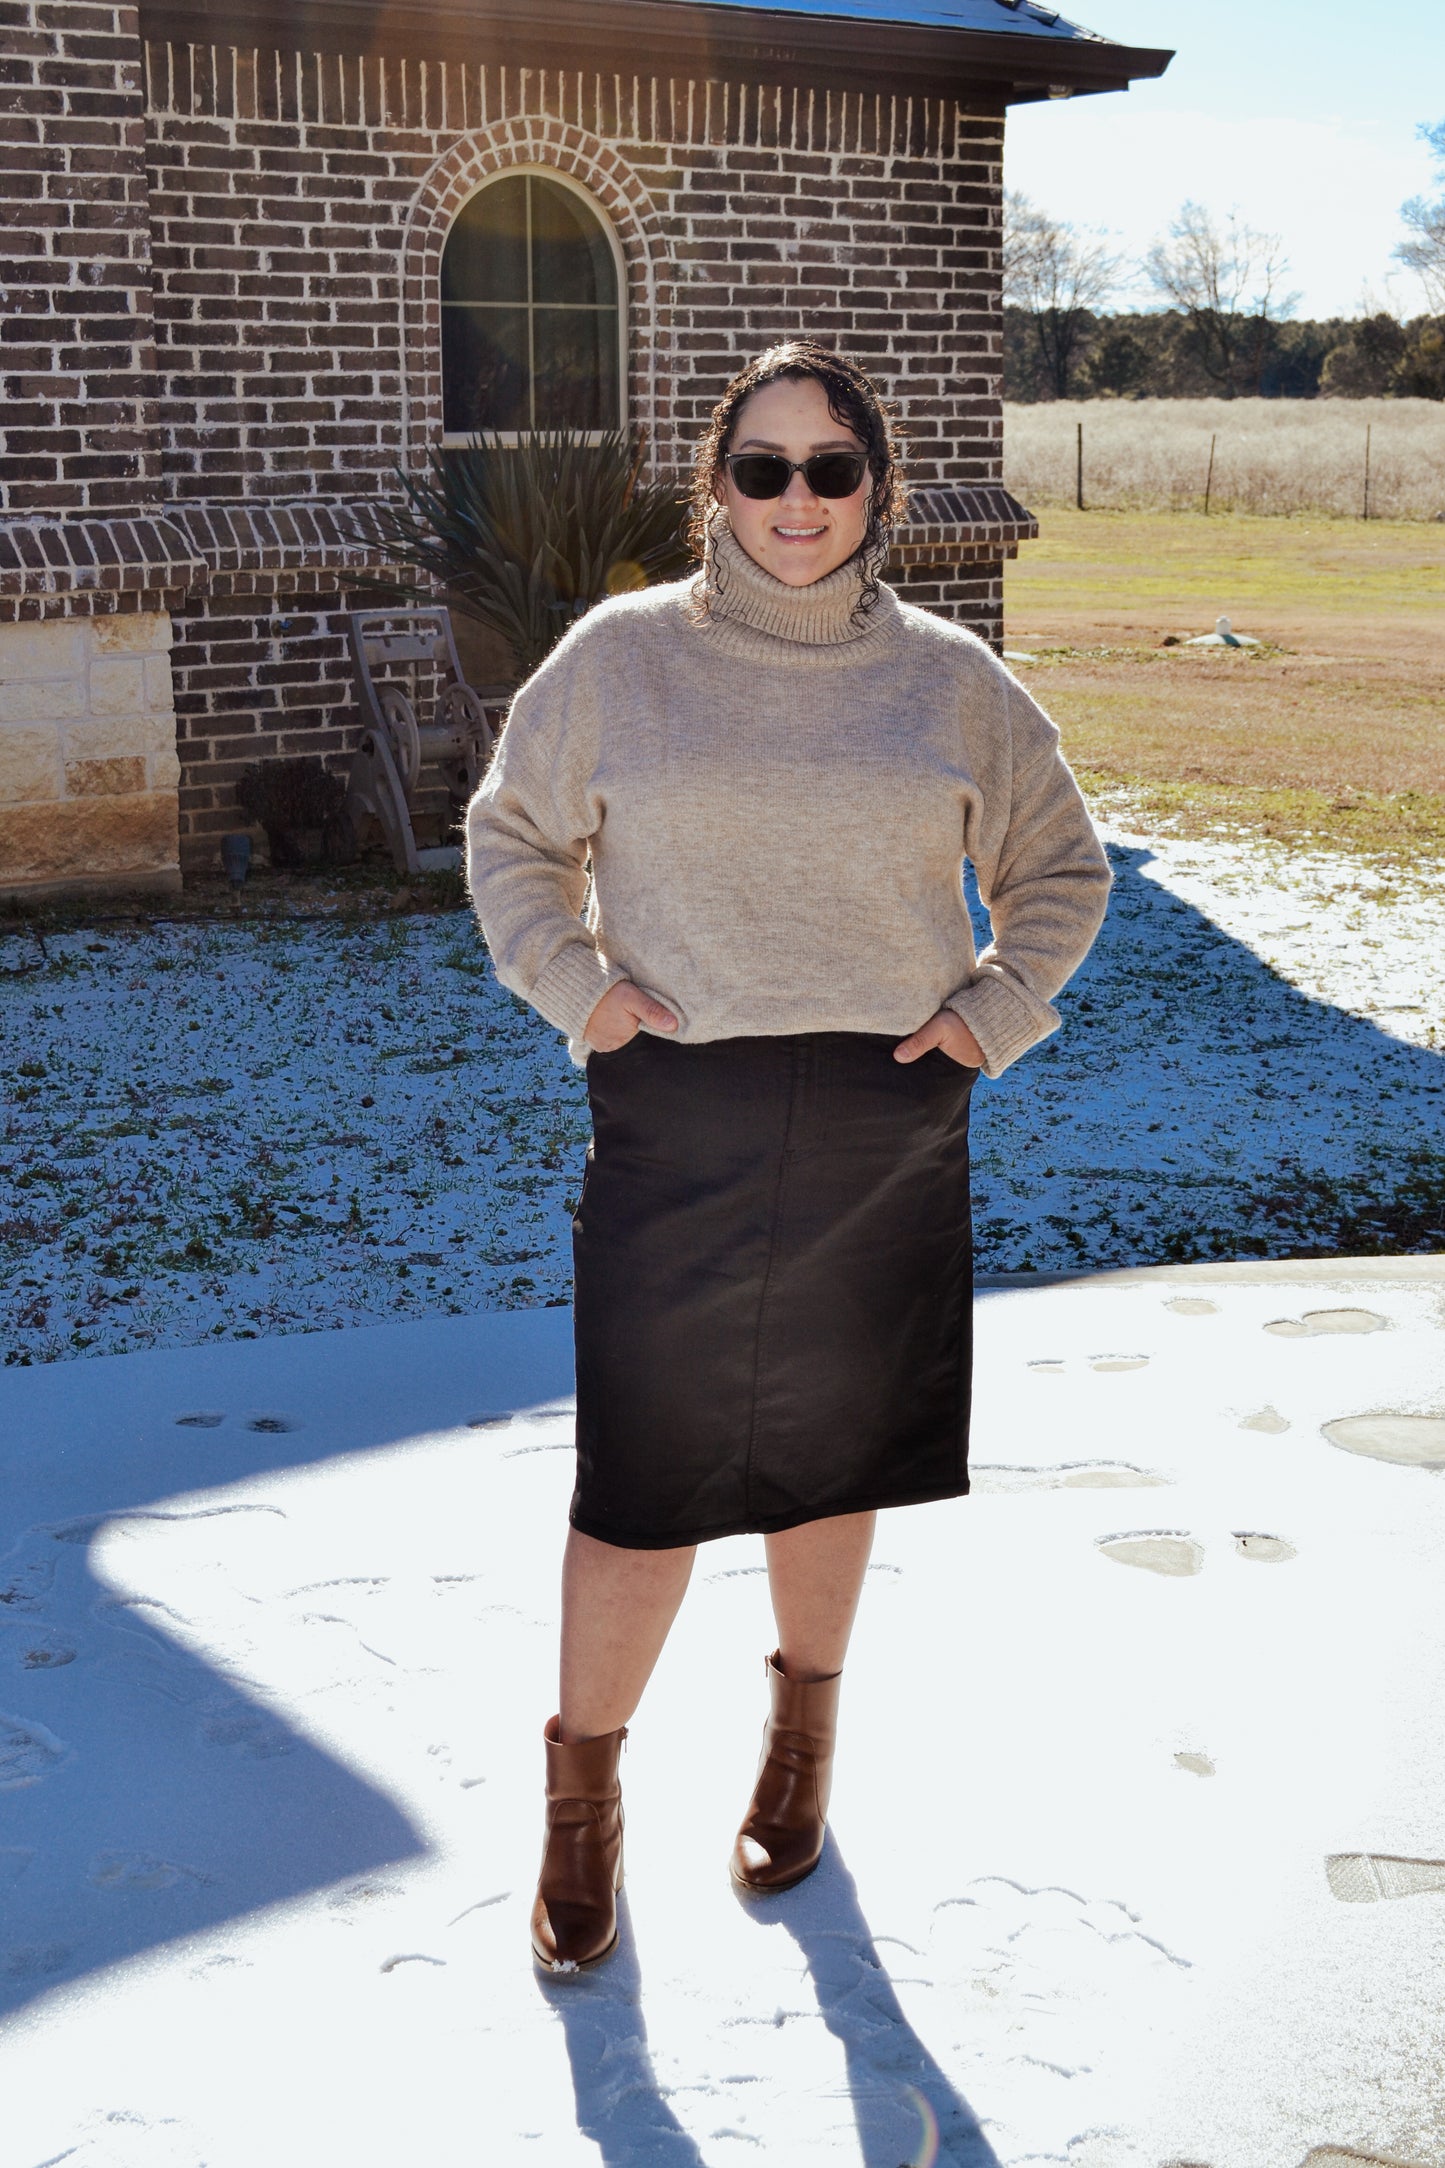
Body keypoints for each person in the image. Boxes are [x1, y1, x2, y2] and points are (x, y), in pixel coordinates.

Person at [465, 341, 1111, 1975]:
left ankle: (799, 1752)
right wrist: (576, 988)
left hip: (888, 1111)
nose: (797, 501)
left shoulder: (952, 679)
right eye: (763, 467)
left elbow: (1062, 867)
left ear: (877, 489)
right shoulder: (617, 660)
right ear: (715, 487)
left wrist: (991, 1014)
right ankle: (582, 1808)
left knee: (833, 1457)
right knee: (642, 1482)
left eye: (831, 469)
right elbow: (510, 840)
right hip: (675, 1104)